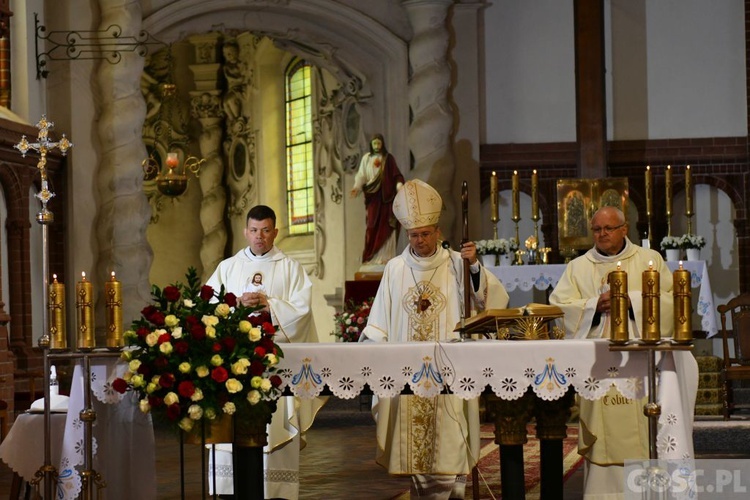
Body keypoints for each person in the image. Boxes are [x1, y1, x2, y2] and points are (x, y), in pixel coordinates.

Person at [359, 179, 509, 499]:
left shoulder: (456, 263)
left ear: (438, 231)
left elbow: (489, 300)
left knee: (450, 440)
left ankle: (450, 492)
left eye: (426, 234)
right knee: (416, 449)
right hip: (408, 375)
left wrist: (473, 268)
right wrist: (374, 352)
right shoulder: (396, 269)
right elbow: (379, 322)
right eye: (414, 235)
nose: (421, 240)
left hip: (450, 372)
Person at [549, 206, 675, 499]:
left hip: (638, 359)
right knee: (601, 428)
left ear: (624, 229)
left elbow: (668, 300)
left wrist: (630, 301)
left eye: (608, 228)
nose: (602, 234)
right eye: (596, 229)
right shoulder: (578, 267)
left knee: (642, 425)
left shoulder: (649, 260)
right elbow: (559, 308)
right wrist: (595, 305)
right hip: (596, 361)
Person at [206, 204, 322, 500]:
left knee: (275, 425)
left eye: (266, 230)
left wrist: (270, 306)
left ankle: (275, 492)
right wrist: (235, 306)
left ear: (275, 232)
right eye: (255, 231)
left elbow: (302, 311)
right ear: (246, 232)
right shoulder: (228, 267)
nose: (260, 237)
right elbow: (206, 308)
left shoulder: (290, 268)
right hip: (233, 365)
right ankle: (229, 490)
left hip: (275, 364)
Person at [350, 133, 404, 267]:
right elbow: (361, 175)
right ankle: (371, 257)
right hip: (373, 199)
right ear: (371, 144)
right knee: (371, 226)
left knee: (386, 227)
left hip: (386, 199)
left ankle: (386, 257)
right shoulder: (366, 159)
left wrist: (399, 186)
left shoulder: (388, 159)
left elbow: (396, 175)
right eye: (374, 143)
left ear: (382, 144)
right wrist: (356, 187)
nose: (377, 146)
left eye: (379, 143)